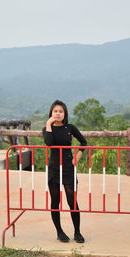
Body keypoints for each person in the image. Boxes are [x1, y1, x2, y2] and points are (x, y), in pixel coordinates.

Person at [42, 99, 87, 243]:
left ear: (65, 113)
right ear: (51, 113)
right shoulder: (47, 129)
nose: (58, 113)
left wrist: (76, 159)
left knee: (72, 201)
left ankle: (77, 232)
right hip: (54, 169)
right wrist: (49, 123)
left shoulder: (70, 128)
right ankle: (59, 232)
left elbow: (83, 142)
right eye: (55, 111)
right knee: (55, 201)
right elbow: (49, 143)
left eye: (61, 111)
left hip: (68, 168)